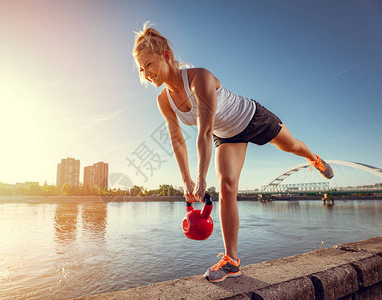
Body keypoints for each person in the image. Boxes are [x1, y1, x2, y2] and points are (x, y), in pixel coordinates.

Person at [132, 23, 334, 283]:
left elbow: (204, 132)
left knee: (291, 145)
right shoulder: (163, 101)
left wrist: (201, 178)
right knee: (227, 187)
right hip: (227, 136)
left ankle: (313, 159)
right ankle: (232, 261)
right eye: (141, 68)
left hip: (251, 117)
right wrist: (187, 181)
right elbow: (176, 139)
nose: (146, 73)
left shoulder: (199, 78)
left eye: (149, 64)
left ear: (166, 56)